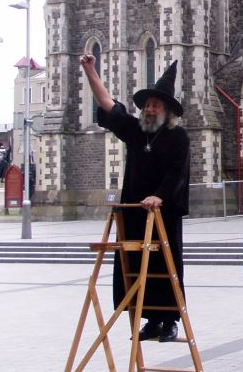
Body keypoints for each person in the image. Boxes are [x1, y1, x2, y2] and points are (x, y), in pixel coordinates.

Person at [80, 55, 189, 342]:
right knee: (135, 262)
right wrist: (90, 70)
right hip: (134, 212)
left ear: (166, 110)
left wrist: (160, 196)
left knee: (165, 265)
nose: (150, 109)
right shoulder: (136, 131)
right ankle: (148, 318)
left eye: (156, 105)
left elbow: (177, 173)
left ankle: (168, 320)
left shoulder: (178, 137)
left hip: (162, 213)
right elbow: (109, 106)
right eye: (148, 105)